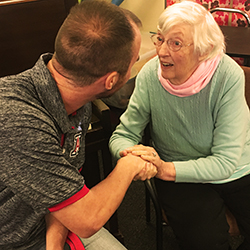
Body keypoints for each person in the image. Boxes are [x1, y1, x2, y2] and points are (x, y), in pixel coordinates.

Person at [0, 1, 157, 249]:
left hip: (49, 226)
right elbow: (86, 219)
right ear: (111, 80)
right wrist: (128, 166)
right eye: (134, 61)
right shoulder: (17, 119)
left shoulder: (78, 102)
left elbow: (62, 194)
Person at [109, 1, 250, 250]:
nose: (162, 52)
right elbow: (123, 134)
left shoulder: (228, 76)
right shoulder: (150, 75)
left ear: (204, 50)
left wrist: (163, 169)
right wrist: (132, 155)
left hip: (237, 168)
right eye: (160, 39)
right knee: (206, 243)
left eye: (175, 43)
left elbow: (226, 162)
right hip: (179, 172)